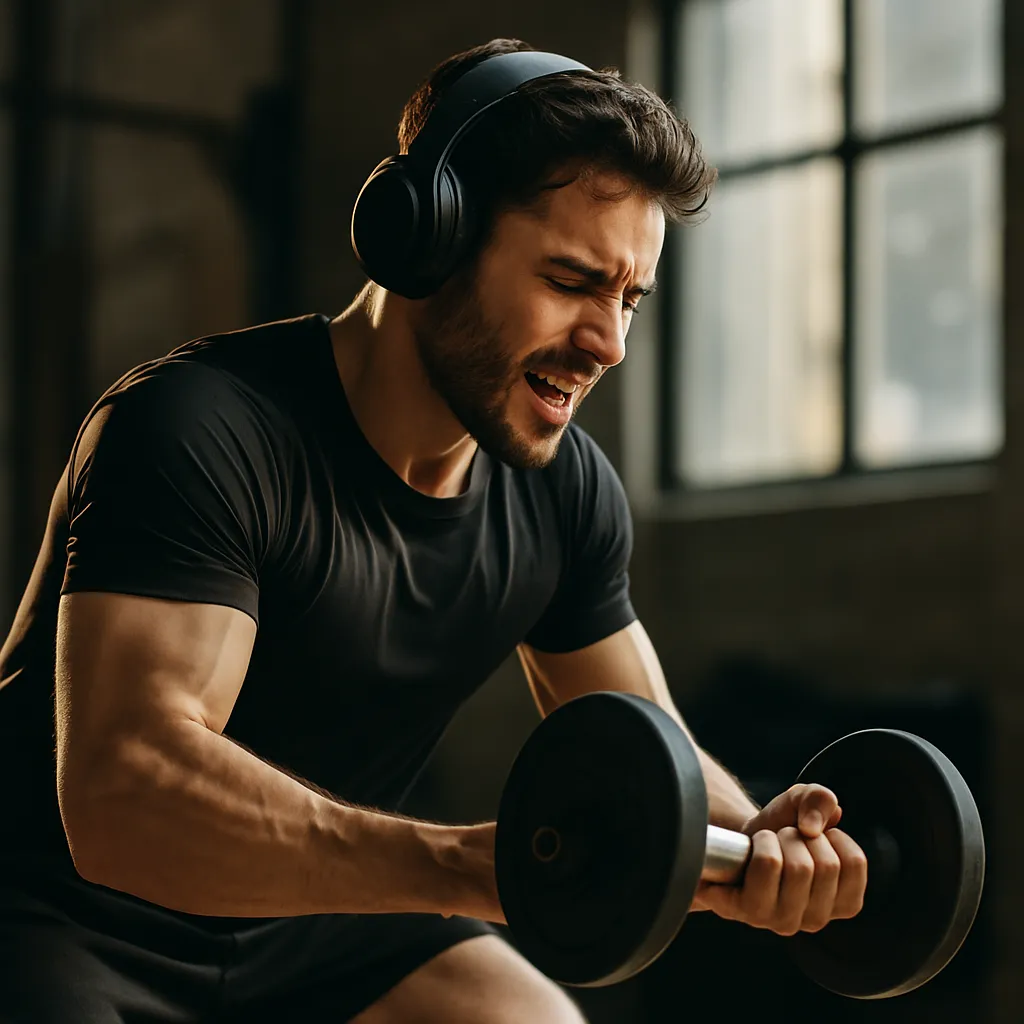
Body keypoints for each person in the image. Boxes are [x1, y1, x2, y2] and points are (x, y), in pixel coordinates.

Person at [0, 37, 867, 1024]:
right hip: (65, 918)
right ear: (430, 238)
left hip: (330, 925)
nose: (608, 343)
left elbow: (648, 754)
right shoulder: (198, 429)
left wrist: (760, 839)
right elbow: (127, 803)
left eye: (628, 299)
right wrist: (461, 865)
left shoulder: (561, 490)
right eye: (572, 279)